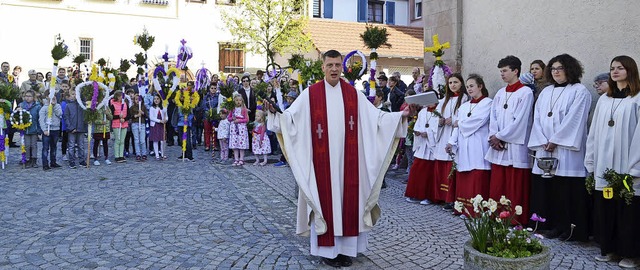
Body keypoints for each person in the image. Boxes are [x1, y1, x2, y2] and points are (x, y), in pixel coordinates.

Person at [264, 49, 412, 268]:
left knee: (348, 203)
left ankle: (346, 250)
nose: (334, 69)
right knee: (326, 204)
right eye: (330, 65)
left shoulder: (353, 95)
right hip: (321, 163)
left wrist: (399, 117)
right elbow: (291, 120)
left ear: (342, 67)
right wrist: (275, 114)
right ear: (323, 67)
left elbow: (376, 119)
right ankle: (328, 251)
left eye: (337, 65)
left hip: (348, 164)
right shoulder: (310, 94)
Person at [528, 54, 592, 240]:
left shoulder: (580, 91)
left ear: (570, 70)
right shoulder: (546, 92)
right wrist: (542, 139)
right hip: (544, 146)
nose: (556, 72)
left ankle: (569, 229)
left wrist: (555, 140)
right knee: (547, 189)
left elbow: (575, 119)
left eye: (560, 68)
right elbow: (537, 117)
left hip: (566, 149)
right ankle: (547, 225)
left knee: (565, 190)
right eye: (553, 68)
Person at [586, 55, 640, 268]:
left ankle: (631, 254)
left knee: (628, 210)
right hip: (604, 168)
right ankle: (610, 249)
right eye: (612, 68)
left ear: (630, 71)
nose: (615, 71)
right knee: (606, 208)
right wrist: (591, 161)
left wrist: (636, 167)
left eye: (620, 68)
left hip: (628, 169)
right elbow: (593, 133)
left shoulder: (636, 99)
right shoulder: (604, 99)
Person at [485, 55, 534, 225]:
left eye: (505, 70)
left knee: (514, 183)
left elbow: (521, 121)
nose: (502, 74)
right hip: (499, 145)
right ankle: (497, 214)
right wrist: (494, 136)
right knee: (499, 183)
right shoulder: (500, 93)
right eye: (501, 71)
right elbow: (494, 117)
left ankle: (514, 219)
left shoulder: (526, 92)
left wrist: (499, 136)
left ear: (515, 71)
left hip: (515, 146)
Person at [445, 74, 492, 216]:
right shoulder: (464, 106)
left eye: (472, 86)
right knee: (464, 175)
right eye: (468, 86)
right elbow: (457, 127)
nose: (469, 89)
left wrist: (459, 123)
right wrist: (451, 142)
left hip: (479, 145)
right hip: (464, 146)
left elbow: (478, 121)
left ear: (480, 86)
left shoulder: (488, 103)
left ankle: (476, 211)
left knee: (477, 175)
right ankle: (463, 209)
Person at [436, 73, 469, 211]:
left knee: (452, 166)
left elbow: (464, 116)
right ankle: (442, 196)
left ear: (461, 83)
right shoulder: (444, 99)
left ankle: (452, 198)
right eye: (450, 83)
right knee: (443, 167)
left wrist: (454, 120)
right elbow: (436, 116)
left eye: (455, 82)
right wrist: (440, 121)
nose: (453, 85)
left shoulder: (465, 99)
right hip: (444, 134)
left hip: (455, 135)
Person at [405, 97, 440, 204]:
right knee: (416, 170)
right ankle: (415, 194)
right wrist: (417, 132)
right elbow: (418, 125)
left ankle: (428, 196)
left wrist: (428, 134)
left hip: (431, 146)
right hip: (422, 145)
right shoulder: (423, 112)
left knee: (429, 173)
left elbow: (439, 128)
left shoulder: (439, 112)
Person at [273, 91, 298, 168]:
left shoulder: (297, 108)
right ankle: (284, 160)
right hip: (287, 128)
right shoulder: (287, 107)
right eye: (288, 99)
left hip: (294, 129)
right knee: (285, 145)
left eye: (291, 99)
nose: (289, 101)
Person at [63, 89, 87, 169]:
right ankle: (72, 161)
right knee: (71, 145)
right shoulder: (68, 106)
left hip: (81, 128)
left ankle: (82, 160)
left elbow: (86, 115)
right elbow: (66, 117)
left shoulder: (83, 105)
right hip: (72, 129)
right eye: (73, 94)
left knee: (81, 145)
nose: (75, 95)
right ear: (69, 96)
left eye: (76, 94)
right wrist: (71, 128)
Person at [39, 92, 62, 170]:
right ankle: (45, 164)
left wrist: (54, 105)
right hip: (47, 131)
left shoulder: (58, 106)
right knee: (45, 148)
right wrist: (44, 129)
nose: (53, 97)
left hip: (55, 130)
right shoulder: (44, 108)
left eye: (54, 96)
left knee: (54, 147)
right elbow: (41, 120)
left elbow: (59, 114)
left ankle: (53, 162)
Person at [19, 90, 42, 168]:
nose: (27, 98)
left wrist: (39, 130)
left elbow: (40, 119)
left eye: (29, 96)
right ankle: (27, 159)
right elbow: (17, 117)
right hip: (25, 130)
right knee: (27, 145)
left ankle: (34, 160)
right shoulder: (21, 105)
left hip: (34, 129)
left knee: (34, 145)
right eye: (26, 96)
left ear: (33, 97)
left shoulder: (37, 106)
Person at [228, 94, 249, 166]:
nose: (238, 102)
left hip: (241, 129)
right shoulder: (232, 109)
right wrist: (232, 119)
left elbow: (246, 119)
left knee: (241, 144)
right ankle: (236, 159)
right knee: (235, 144)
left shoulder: (243, 109)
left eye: (240, 100)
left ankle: (241, 159)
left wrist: (239, 120)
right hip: (234, 129)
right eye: (237, 100)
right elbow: (229, 118)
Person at [109, 90, 129, 163]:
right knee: (118, 140)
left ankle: (121, 155)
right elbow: (111, 116)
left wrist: (124, 119)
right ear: (117, 97)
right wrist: (118, 117)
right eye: (121, 96)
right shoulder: (113, 105)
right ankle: (117, 156)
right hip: (116, 124)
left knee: (122, 140)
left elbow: (128, 114)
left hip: (124, 124)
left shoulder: (125, 104)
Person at [149, 94, 168, 160]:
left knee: (162, 140)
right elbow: (151, 117)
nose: (156, 100)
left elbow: (166, 115)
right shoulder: (152, 108)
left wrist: (166, 120)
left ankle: (162, 153)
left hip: (162, 125)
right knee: (155, 140)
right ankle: (157, 154)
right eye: (155, 99)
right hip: (155, 125)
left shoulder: (163, 107)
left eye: (157, 99)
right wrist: (159, 121)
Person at [130, 92, 148, 162]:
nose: (137, 100)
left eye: (139, 99)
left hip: (142, 124)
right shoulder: (132, 107)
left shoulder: (143, 107)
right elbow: (130, 116)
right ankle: (138, 154)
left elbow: (147, 115)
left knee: (142, 140)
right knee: (136, 140)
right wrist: (136, 115)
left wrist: (142, 113)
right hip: (135, 124)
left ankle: (144, 153)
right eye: (136, 99)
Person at [202, 84, 219, 152]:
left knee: (214, 131)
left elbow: (219, 105)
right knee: (207, 131)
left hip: (214, 116)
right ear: (209, 89)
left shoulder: (217, 97)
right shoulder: (206, 97)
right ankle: (207, 145)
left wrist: (214, 112)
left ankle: (214, 145)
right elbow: (203, 105)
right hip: (207, 115)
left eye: (215, 88)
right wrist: (208, 111)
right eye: (212, 88)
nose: (213, 89)